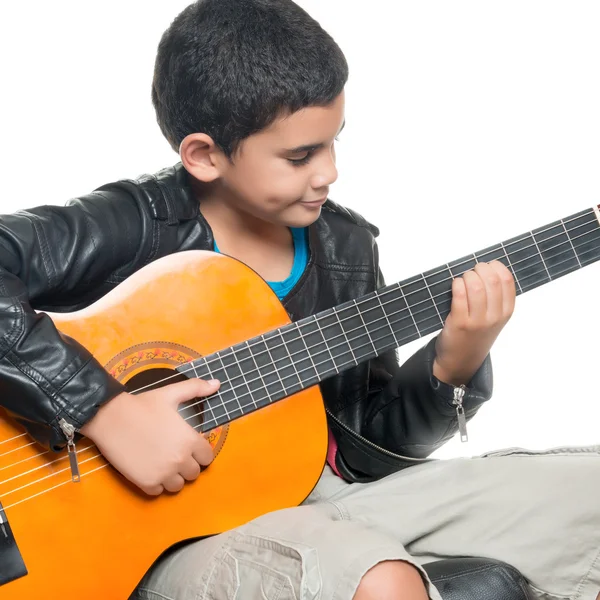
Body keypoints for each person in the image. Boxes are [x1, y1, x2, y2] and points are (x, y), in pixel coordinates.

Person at [0, 1, 598, 599]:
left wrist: (453, 364)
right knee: (379, 583)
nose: (329, 172)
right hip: (178, 533)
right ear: (205, 156)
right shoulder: (134, 223)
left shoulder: (345, 245)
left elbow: (370, 450)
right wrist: (107, 411)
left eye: (334, 143)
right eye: (299, 156)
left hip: (334, 495)